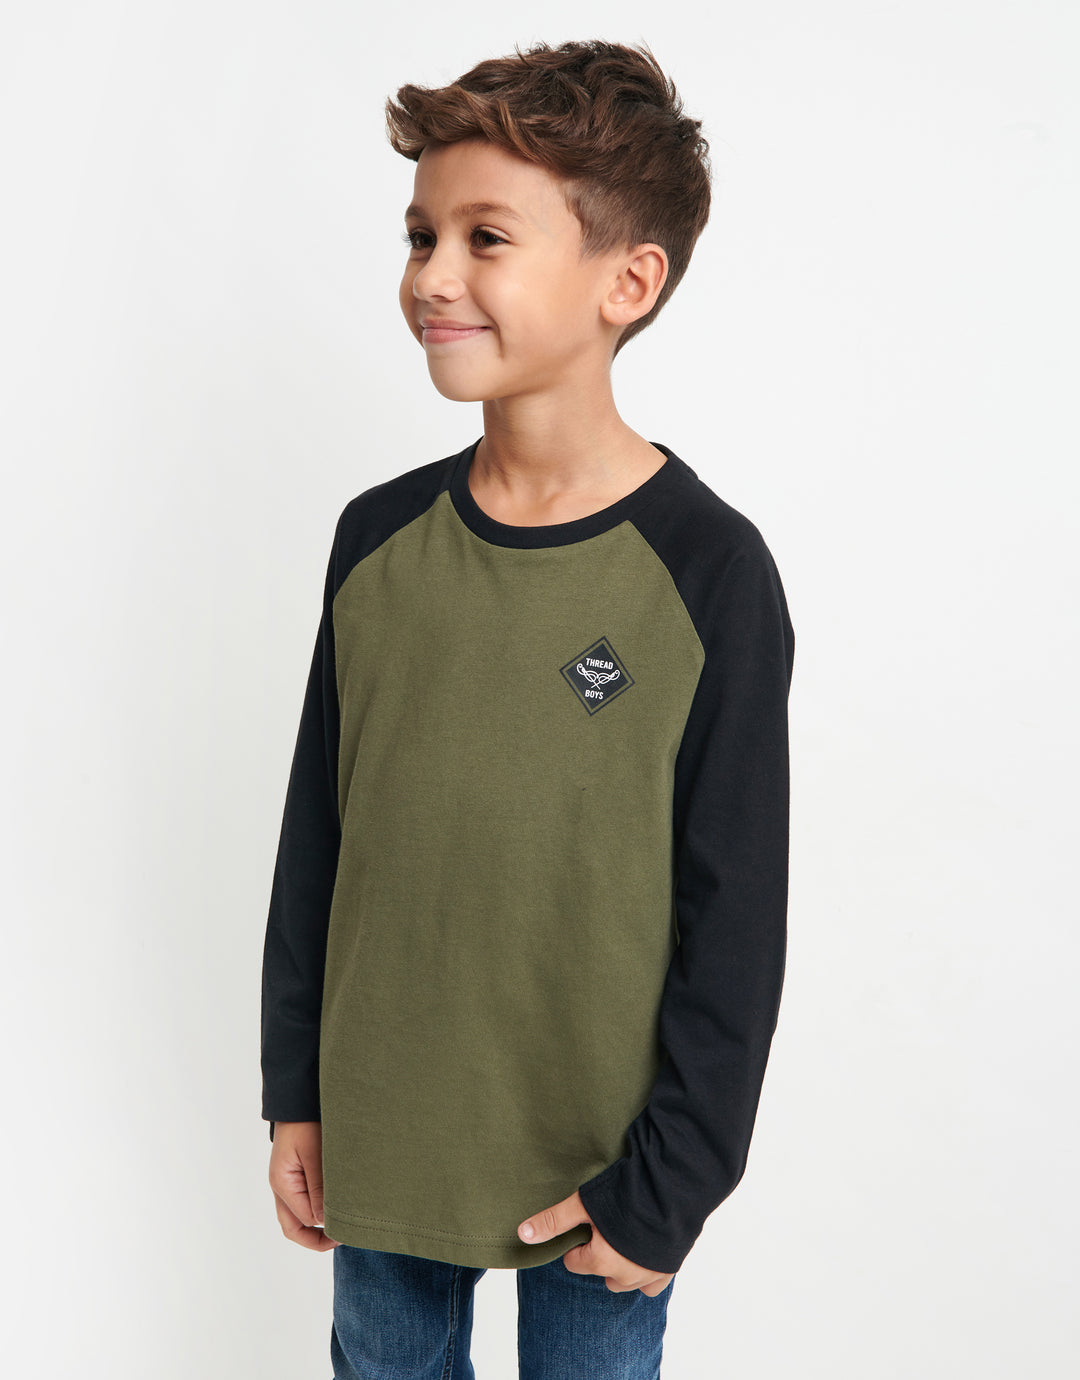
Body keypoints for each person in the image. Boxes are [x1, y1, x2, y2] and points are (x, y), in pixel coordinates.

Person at [260, 37, 796, 1380]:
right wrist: (296, 1092)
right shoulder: (376, 544)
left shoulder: (709, 572)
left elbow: (737, 914)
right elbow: (321, 836)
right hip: (387, 1130)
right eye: (421, 234)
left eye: (485, 237)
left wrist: (673, 1182)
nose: (432, 276)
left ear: (628, 281)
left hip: (603, 1166)